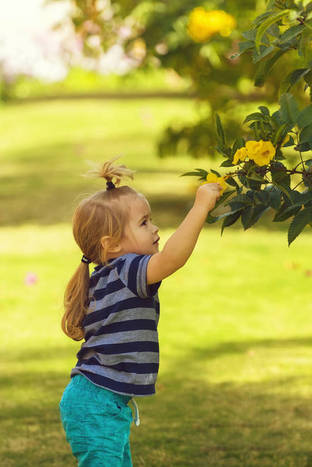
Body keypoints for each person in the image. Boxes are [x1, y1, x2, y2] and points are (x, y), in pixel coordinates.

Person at [58, 158, 223, 466]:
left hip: (99, 402)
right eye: (144, 223)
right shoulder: (125, 270)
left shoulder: (110, 273)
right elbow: (172, 258)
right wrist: (200, 207)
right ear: (112, 245)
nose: (156, 228)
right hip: (97, 404)